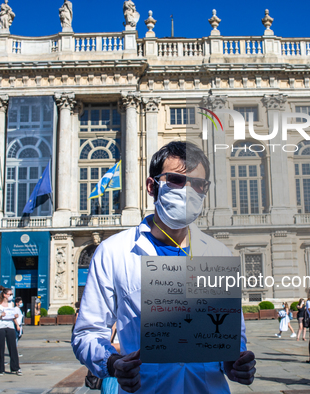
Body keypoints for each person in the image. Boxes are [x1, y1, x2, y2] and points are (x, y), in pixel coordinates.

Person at [72, 141, 256, 393]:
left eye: (198, 184)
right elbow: (87, 332)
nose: (188, 190)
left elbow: (232, 337)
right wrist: (113, 363)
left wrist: (234, 363)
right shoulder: (113, 251)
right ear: (152, 186)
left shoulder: (218, 254)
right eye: (176, 180)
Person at [0, 287, 21, 376]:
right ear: (5, 295)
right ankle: (1, 369)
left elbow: (12, 315)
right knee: (1, 348)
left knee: (13, 347)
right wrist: (0, 316)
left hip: (10, 326)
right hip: (1, 327)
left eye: (11, 294)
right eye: (10, 294)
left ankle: (15, 368)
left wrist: (15, 317)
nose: (11, 296)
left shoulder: (11, 304)